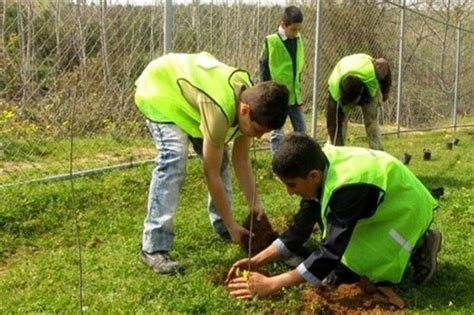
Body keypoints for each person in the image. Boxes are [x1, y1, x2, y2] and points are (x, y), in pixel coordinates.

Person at [226, 133, 442, 299]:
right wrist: (256, 261)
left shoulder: (345, 188)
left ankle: (421, 244)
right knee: (337, 265)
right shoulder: (318, 163)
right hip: (380, 203)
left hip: (404, 211)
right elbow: (300, 228)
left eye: (291, 185)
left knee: (352, 274)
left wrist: (273, 284)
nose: (289, 192)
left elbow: (330, 252)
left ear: (313, 176)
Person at [134, 52, 289, 275]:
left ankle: (221, 225)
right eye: (257, 130)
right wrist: (232, 223)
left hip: (192, 99)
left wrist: (255, 205)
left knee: (222, 157)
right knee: (174, 157)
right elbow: (211, 173)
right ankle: (153, 247)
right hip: (161, 89)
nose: (258, 137)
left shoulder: (253, 99)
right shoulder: (219, 110)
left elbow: (241, 161)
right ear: (244, 111)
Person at [260, 5, 306, 154]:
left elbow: (297, 71)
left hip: (293, 96)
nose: (296, 33)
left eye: (299, 30)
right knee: (277, 133)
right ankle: (277, 162)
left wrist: (299, 98)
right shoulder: (271, 41)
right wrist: (266, 93)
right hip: (277, 95)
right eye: (293, 30)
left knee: (301, 130)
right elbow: (264, 68)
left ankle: (299, 159)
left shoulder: (298, 39)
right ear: (283, 24)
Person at [326, 53, 392, 151]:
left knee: (371, 120)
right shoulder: (335, 92)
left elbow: (384, 64)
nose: (354, 106)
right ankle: (333, 151)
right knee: (339, 122)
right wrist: (338, 151)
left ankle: (378, 152)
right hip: (344, 80)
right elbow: (333, 124)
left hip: (366, 83)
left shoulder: (374, 73)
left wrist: (385, 92)